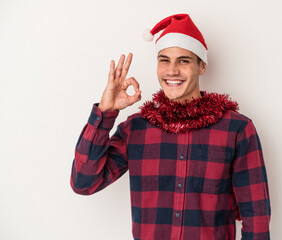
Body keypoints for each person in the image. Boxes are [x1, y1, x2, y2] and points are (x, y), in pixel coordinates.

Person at [70, 13, 271, 240]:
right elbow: (84, 183)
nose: (172, 70)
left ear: (202, 66)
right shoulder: (136, 130)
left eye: (183, 61)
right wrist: (105, 113)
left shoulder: (236, 130)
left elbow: (257, 218)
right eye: (164, 60)